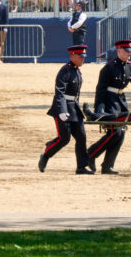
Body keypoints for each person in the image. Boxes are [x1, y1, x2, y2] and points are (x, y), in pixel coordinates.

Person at [86, 40, 131, 174]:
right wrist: (98, 111)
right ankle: (91, 154)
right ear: (118, 50)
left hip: (121, 103)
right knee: (115, 132)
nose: (129, 54)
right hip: (108, 102)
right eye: (126, 51)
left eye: (130, 52)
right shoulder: (109, 67)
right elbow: (101, 90)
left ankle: (107, 165)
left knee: (120, 134)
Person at [38, 44, 93, 175]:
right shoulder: (65, 70)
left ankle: (81, 167)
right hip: (62, 108)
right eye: (80, 57)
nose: (82, 59)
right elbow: (59, 92)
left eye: (83, 57)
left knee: (81, 137)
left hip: (74, 107)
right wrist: (62, 110)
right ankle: (46, 154)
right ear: (72, 56)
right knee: (64, 139)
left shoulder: (77, 71)